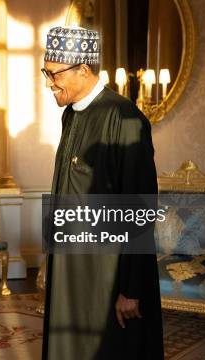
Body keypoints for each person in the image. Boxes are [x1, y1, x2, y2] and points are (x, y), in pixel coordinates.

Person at [41, 26, 164, 359]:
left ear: (83, 69)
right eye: (46, 73)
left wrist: (131, 290)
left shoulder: (124, 118)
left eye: (53, 74)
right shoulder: (71, 115)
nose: (49, 83)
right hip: (71, 270)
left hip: (107, 278)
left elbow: (140, 208)